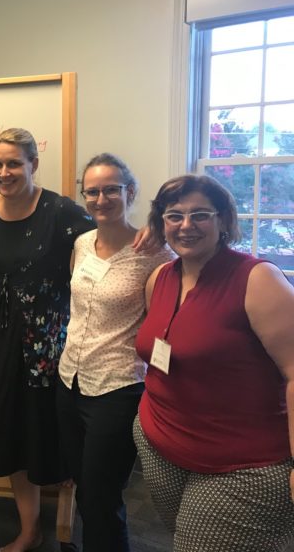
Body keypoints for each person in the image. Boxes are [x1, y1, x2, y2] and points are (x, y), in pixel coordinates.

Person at [0, 128, 95, 552]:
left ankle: (76, 516)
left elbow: (102, 244)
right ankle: (29, 528)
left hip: (47, 347)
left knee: (48, 433)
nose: (4, 172)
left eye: (14, 163)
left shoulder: (62, 211)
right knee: (10, 435)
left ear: (33, 164)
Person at [133, 174, 294, 552]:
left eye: (200, 214)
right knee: (183, 536)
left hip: (241, 465)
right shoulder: (160, 278)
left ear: (223, 220)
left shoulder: (258, 279)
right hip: (161, 444)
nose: (186, 226)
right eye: (174, 216)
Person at [55, 154, 172, 552]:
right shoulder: (81, 244)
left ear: (130, 192)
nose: (101, 198)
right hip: (69, 379)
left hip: (117, 387)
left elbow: (163, 330)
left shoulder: (155, 256)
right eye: (92, 191)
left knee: (102, 496)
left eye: (111, 190)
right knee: (81, 483)